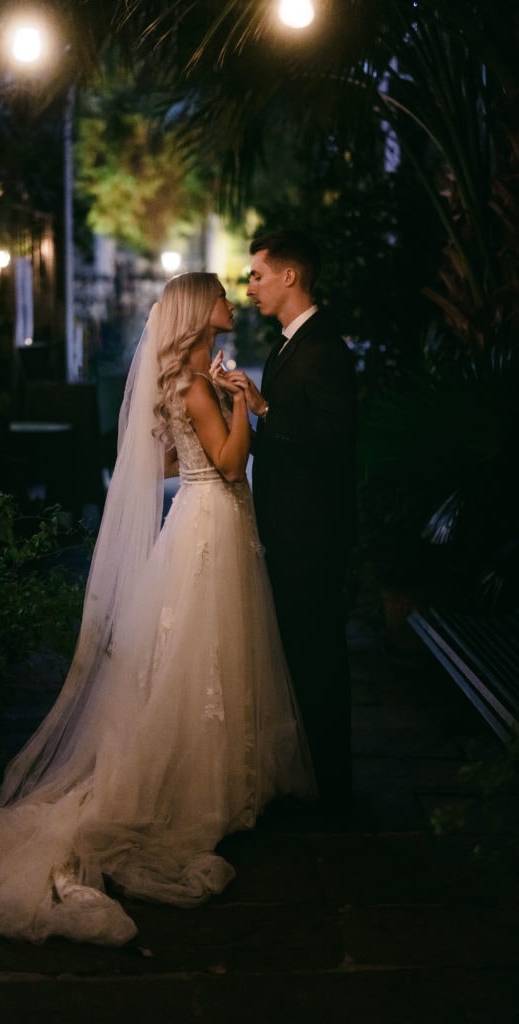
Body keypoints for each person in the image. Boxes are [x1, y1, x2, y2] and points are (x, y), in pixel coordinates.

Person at [0, 272, 315, 948]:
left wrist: (207, 427)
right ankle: (207, 785)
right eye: (219, 294)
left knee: (198, 652)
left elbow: (165, 462)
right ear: (199, 312)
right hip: (211, 518)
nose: (228, 301)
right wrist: (243, 402)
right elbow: (224, 463)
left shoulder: (180, 385)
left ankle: (215, 773)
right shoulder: (198, 385)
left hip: (194, 516)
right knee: (211, 650)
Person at [212, 230, 357, 808]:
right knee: (297, 654)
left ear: (289, 277)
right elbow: (277, 440)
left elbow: (333, 438)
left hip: (313, 534)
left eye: (257, 276)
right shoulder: (284, 346)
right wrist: (240, 407)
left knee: (317, 656)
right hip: (288, 528)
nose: (249, 287)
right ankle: (310, 778)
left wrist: (263, 407)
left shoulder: (324, 348)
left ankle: (332, 790)